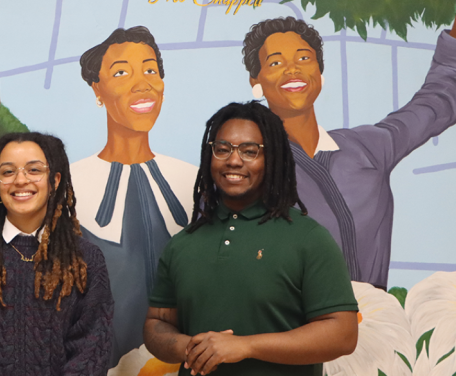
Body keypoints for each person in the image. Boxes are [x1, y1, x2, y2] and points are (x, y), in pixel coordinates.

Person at [240, 0, 456, 289]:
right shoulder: (245, 170)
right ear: (256, 81)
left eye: (304, 58)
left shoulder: (366, 147)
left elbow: (434, 105)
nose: (293, 69)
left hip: (378, 319)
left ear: (320, 74)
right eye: (276, 63)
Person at [144, 101, 358, 376]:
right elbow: (156, 323)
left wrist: (246, 346)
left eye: (249, 151)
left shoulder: (309, 239)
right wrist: (191, 348)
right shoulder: (182, 244)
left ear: (272, 159)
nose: (234, 161)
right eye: (223, 149)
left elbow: (342, 334)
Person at [0, 132, 114, 376]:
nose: (20, 180)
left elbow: (91, 350)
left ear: (55, 180)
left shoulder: (86, 260)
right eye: (8, 172)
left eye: (34, 170)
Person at [72, 26, 198, 364]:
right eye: (121, 72)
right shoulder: (67, 186)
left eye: (150, 70)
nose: (142, 84)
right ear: (97, 90)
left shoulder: (196, 181)